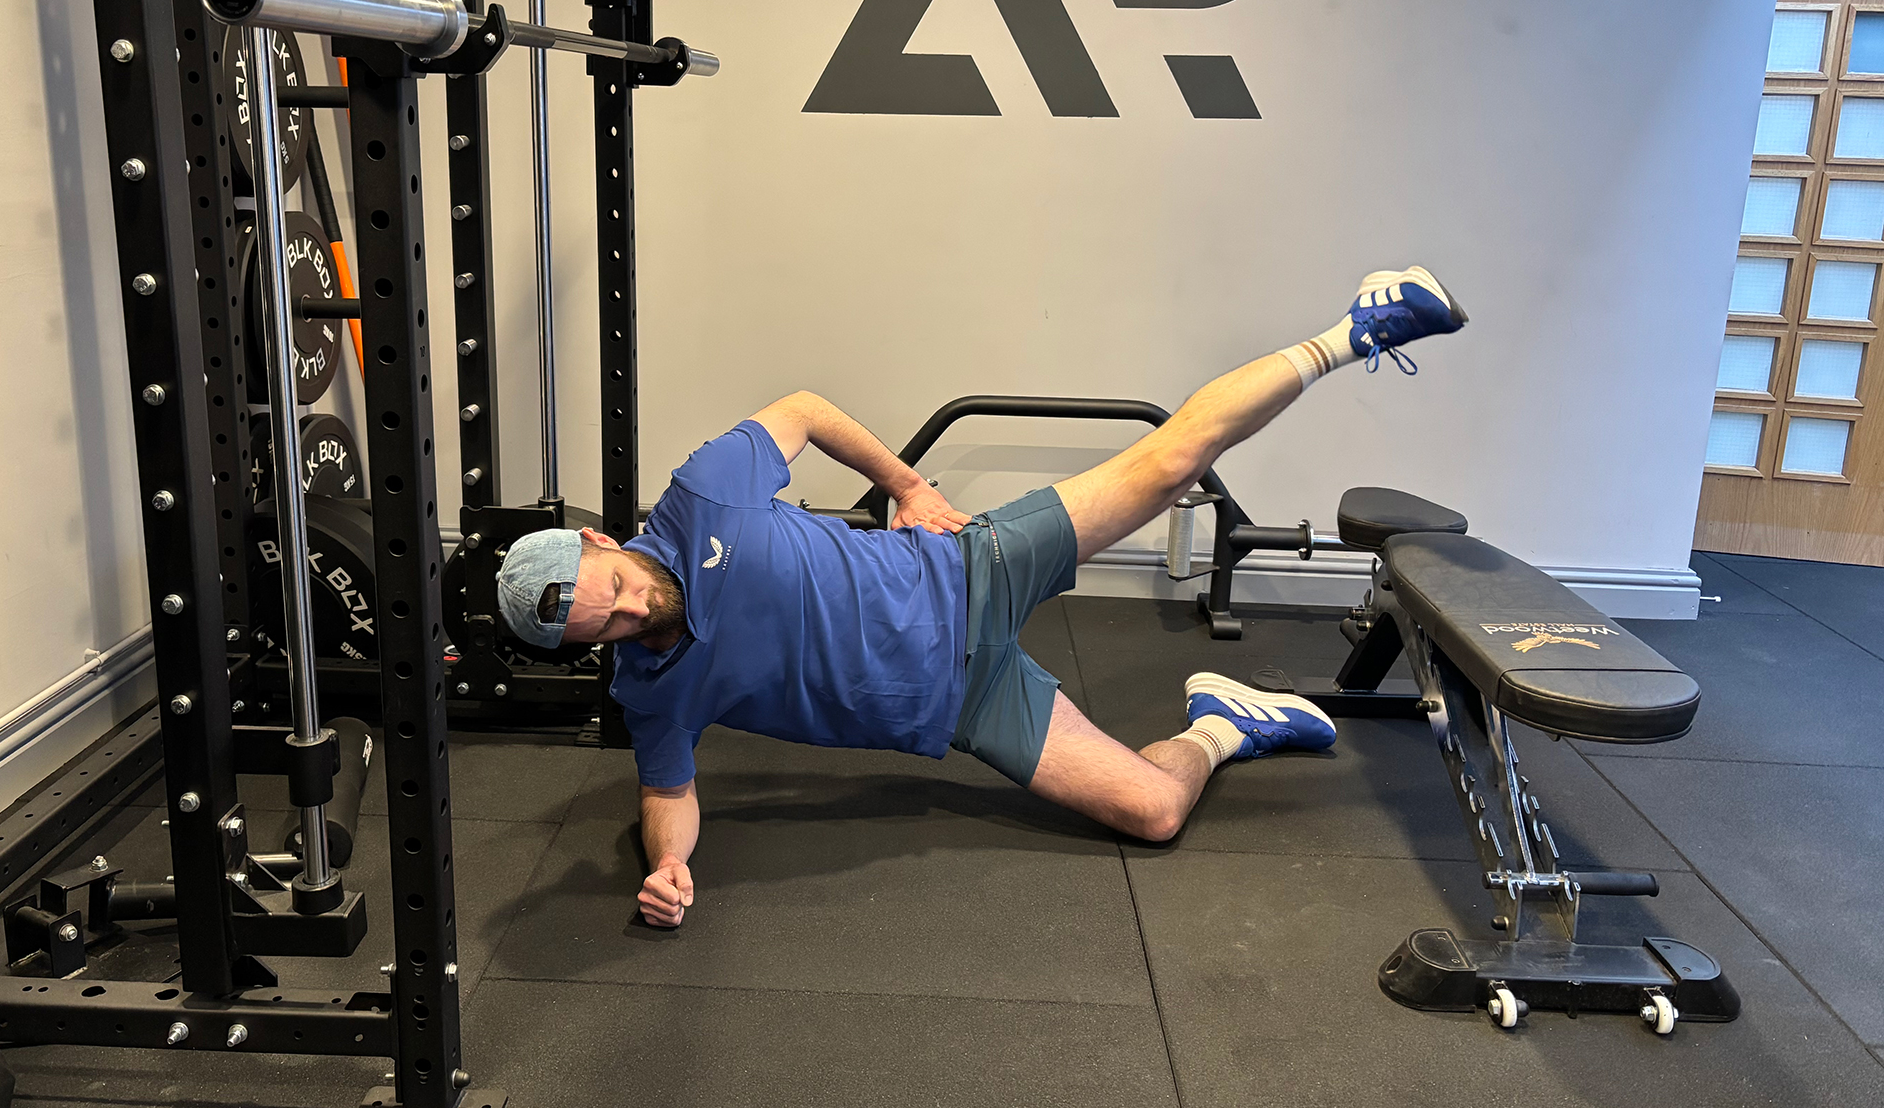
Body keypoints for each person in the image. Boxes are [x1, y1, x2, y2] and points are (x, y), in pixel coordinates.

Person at [496, 267, 1467, 927]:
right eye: (608, 627)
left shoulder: (702, 491)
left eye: (615, 588)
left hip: (968, 568)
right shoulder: (649, 686)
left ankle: (1354, 329)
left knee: (1173, 460)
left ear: (598, 539)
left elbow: (800, 408)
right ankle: (1222, 724)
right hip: (959, 706)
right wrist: (667, 866)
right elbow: (667, 790)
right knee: (1149, 812)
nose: (632, 613)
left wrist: (910, 486)